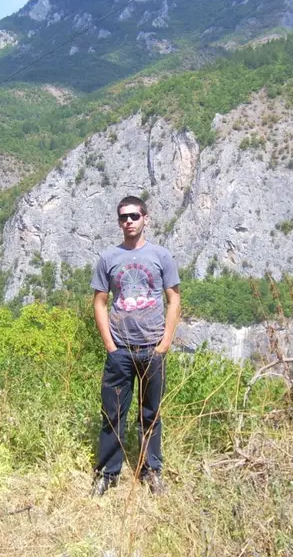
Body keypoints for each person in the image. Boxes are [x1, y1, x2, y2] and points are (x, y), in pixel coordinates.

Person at [91, 195, 181, 495]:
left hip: (152, 348)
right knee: (113, 414)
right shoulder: (108, 258)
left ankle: (151, 471)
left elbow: (174, 299)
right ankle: (108, 473)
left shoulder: (161, 256)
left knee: (150, 414)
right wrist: (110, 346)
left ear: (146, 219)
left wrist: (164, 343)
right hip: (121, 350)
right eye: (123, 217)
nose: (128, 221)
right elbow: (100, 302)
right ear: (118, 222)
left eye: (134, 216)